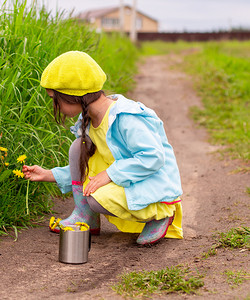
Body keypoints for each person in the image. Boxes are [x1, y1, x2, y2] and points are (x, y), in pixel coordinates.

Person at [22, 51, 183, 245]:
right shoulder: (88, 120)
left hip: (151, 184)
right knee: (78, 147)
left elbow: (153, 157)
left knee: (95, 198)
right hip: (127, 176)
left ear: (72, 96)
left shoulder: (125, 117)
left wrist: (109, 174)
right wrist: (49, 175)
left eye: (55, 99)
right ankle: (85, 216)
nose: (54, 106)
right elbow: (89, 165)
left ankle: (158, 215)